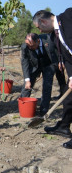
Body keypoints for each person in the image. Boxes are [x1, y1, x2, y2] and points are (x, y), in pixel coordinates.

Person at [33, 9, 72, 149]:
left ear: (43, 21)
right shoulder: (54, 37)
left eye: (39, 28)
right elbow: (68, 59)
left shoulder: (69, 16)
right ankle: (63, 126)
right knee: (69, 98)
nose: (40, 31)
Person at [20, 33, 58, 116]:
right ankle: (23, 107)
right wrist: (27, 80)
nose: (30, 47)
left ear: (38, 41)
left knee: (47, 87)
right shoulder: (25, 47)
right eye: (27, 45)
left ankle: (43, 111)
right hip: (35, 66)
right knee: (27, 85)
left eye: (32, 45)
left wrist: (59, 62)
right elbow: (24, 63)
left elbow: (57, 51)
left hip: (49, 64)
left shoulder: (48, 40)